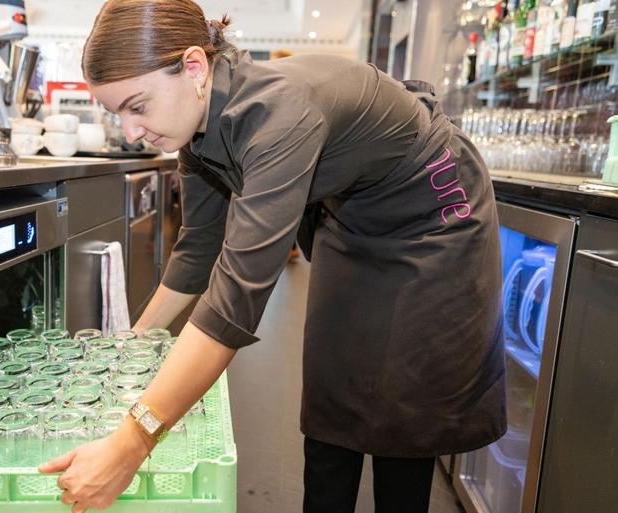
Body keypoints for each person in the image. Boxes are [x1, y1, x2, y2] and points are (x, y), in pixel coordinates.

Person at [38, 1, 507, 512]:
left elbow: (233, 305)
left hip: (433, 216)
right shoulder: (194, 132)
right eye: (117, 114)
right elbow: (197, 251)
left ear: (194, 68)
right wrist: (129, 348)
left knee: (405, 409)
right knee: (332, 387)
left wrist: (133, 442)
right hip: (352, 214)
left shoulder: (277, 116)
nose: (130, 132)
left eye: (137, 106)